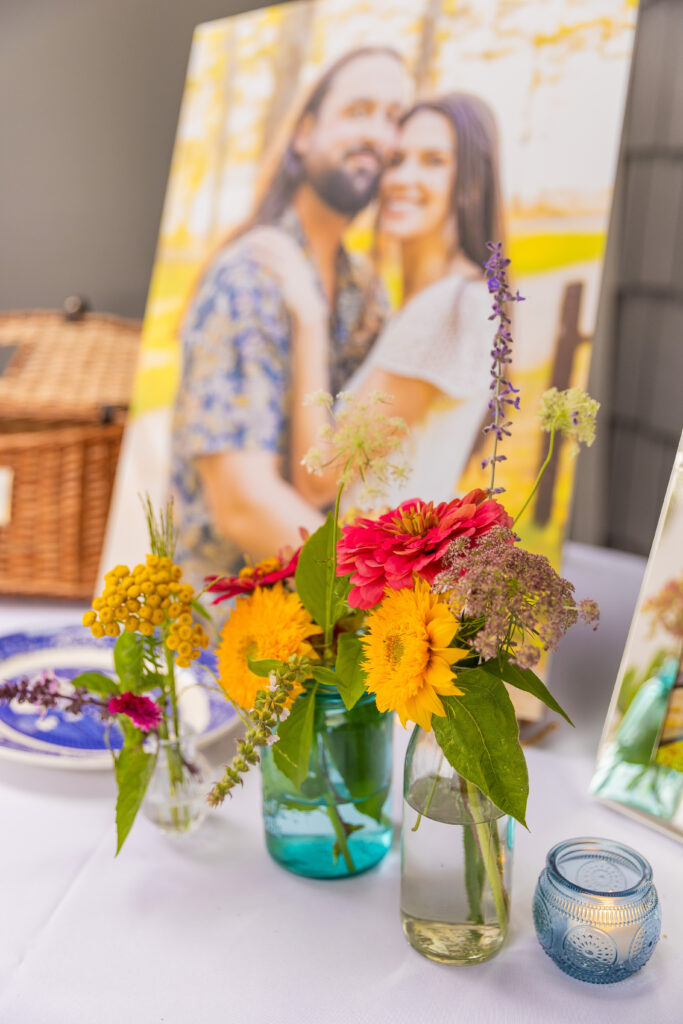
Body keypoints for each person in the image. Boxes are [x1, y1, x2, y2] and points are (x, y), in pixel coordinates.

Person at [171, 47, 412, 590]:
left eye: (394, 118)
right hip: (226, 631)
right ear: (303, 135)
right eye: (358, 111)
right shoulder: (252, 278)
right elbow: (244, 505)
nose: (379, 133)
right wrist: (383, 611)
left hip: (319, 627)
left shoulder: (366, 295)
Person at [252, 92, 505, 511]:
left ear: (472, 180)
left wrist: (310, 318)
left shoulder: (449, 309)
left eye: (433, 161)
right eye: (395, 160)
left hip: (369, 574)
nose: (402, 178)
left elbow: (322, 478)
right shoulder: (431, 302)